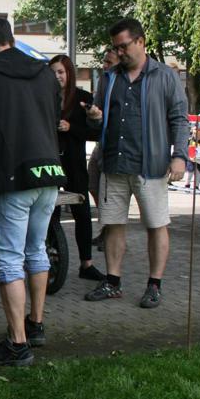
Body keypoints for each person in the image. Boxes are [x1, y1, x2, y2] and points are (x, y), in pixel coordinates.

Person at [0, 17, 66, 366]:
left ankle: (17, 344)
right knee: (36, 249)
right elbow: (52, 119)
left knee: (8, 259)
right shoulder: (45, 73)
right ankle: (35, 325)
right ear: (12, 39)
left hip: (10, 178)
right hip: (48, 173)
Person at [83, 17, 189, 309]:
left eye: (124, 46)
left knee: (156, 225)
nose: (119, 53)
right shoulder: (109, 78)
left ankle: (154, 285)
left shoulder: (165, 76)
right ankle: (112, 281)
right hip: (113, 164)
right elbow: (98, 123)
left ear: (141, 42)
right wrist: (95, 119)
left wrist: (179, 156)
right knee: (113, 224)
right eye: (116, 48)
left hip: (151, 166)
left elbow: (180, 119)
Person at [49, 55, 104, 281]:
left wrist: (71, 127)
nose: (57, 76)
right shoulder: (45, 98)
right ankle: (50, 259)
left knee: (82, 214)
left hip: (74, 164)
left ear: (69, 73)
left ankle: (86, 264)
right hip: (50, 165)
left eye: (61, 72)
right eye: (53, 72)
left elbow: (95, 133)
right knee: (49, 213)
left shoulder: (82, 98)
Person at [89, 48, 119, 251]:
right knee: (91, 180)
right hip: (102, 141)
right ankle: (106, 226)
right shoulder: (104, 81)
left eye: (109, 62)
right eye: (104, 61)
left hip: (117, 146)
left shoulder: (123, 82)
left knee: (114, 194)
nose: (104, 65)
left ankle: (111, 231)